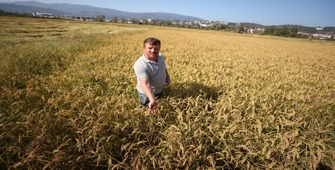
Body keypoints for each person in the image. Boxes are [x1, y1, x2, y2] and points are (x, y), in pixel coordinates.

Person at [134, 37, 171, 113]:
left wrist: (167, 77)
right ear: (144, 48)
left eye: (156, 48)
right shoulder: (140, 64)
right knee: (148, 110)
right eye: (150, 48)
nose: (153, 51)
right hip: (147, 94)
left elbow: (163, 67)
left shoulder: (160, 56)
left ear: (159, 48)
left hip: (159, 90)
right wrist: (152, 99)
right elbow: (145, 84)